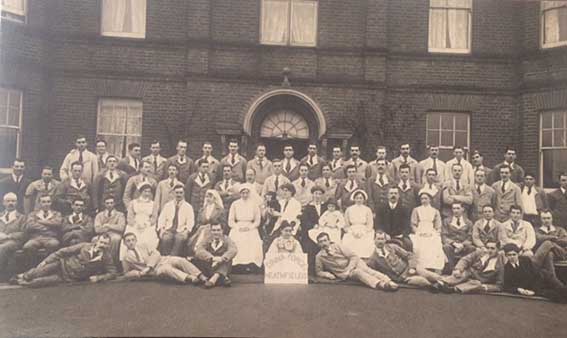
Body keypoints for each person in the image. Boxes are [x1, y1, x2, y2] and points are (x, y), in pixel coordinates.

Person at [13, 234, 116, 287]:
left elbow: (112, 273)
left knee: (38, 282)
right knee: (39, 271)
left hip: (68, 277)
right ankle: (21, 276)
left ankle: (21, 281)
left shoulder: (107, 257)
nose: (102, 245)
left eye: (105, 244)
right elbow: (63, 252)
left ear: (108, 245)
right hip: (61, 265)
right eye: (101, 242)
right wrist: (46, 261)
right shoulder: (85, 246)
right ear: (97, 241)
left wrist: (99, 277)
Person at [315, 232, 398, 291]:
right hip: (344, 273)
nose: (323, 243)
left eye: (325, 240)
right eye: (321, 241)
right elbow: (318, 271)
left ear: (329, 241)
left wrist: (348, 268)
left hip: (355, 263)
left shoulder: (338, 246)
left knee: (368, 270)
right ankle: (381, 284)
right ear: (318, 244)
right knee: (358, 273)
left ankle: (388, 281)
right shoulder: (319, 256)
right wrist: (327, 275)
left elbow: (353, 256)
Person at [121, 232, 205, 285]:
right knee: (167, 269)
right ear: (124, 243)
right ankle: (190, 278)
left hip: (163, 259)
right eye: (128, 241)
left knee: (180, 260)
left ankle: (200, 275)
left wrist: (149, 267)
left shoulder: (144, 245)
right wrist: (138, 273)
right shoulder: (126, 257)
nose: (131, 242)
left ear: (136, 240)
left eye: (132, 240)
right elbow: (126, 273)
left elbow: (156, 253)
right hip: (156, 269)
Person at [367, 232, 442, 288]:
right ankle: (437, 287)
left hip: (410, 268)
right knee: (422, 281)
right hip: (403, 278)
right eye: (378, 239)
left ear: (385, 240)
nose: (380, 241)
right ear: (374, 240)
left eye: (382, 239)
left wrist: (412, 267)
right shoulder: (373, 258)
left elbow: (410, 255)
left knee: (432, 276)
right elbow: (373, 273)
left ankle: (445, 284)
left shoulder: (392, 247)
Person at [502, 243, 567, 303]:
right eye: (509, 255)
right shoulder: (506, 268)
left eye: (514, 254)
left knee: (556, 284)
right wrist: (519, 290)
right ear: (506, 256)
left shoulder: (525, 260)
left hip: (539, 280)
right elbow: (507, 286)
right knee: (555, 296)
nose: (512, 257)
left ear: (518, 254)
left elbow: (534, 274)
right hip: (531, 289)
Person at [440, 240, 504, 294]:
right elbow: (465, 260)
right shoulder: (480, 253)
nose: (489, 250)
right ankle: (441, 283)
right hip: (469, 273)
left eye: (492, 248)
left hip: (478, 281)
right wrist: (458, 269)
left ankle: (453, 289)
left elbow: (499, 285)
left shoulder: (500, 264)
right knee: (462, 273)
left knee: (477, 284)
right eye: (487, 248)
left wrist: (486, 287)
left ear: (498, 249)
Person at [120, 184, 159, 265]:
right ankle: (127, 261)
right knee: (130, 237)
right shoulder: (133, 202)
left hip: (147, 224)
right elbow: (130, 216)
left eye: (149, 191)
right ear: (141, 192)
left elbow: (154, 217)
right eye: (145, 191)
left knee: (148, 239)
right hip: (135, 223)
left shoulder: (153, 204)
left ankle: (145, 261)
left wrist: (147, 224)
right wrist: (135, 224)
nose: (147, 193)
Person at [228, 184, 263, 272]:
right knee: (236, 240)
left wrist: (250, 227)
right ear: (240, 194)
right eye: (243, 193)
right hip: (238, 227)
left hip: (250, 227)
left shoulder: (254, 204)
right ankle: (236, 265)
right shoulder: (235, 204)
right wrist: (237, 227)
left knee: (254, 241)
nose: (245, 195)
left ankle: (251, 264)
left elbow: (257, 220)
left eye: (246, 193)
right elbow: (231, 220)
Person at [410, 192, 446, 273]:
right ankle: (421, 267)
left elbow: (438, 226)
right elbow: (413, 224)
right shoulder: (416, 210)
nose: (424, 200)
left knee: (435, 243)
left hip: (431, 231)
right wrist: (418, 232)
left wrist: (436, 233)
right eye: (422, 199)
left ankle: (435, 267)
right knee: (419, 244)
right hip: (420, 231)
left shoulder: (435, 211)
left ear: (430, 200)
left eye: (426, 198)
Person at [194, 223, 238, 288]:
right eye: (214, 230)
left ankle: (213, 279)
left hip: (222, 265)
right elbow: (199, 250)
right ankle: (223, 278)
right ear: (211, 231)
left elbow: (233, 249)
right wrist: (212, 258)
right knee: (199, 258)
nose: (216, 232)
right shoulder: (207, 239)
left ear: (222, 231)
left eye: (218, 230)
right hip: (210, 265)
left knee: (227, 260)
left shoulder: (227, 239)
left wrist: (221, 258)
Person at [157, 184, 194, 256]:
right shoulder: (168, 205)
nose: (178, 195)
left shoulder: (188, 207)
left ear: (184, 193)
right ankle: (165, 258)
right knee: (166, 238)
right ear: (173, 193)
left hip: (181, 230)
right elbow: (162, 218)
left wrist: (186, 231)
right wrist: (161, 229)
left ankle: (172, 259)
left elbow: (190, 221)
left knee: (179, 239)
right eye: (177, 192)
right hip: (169, 229)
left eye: (181, 193)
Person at [187, 190, 226, 256]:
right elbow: (198, 223)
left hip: (215, 231)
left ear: (214, 198)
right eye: (207, 197)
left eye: (210, 197)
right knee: (193, 241)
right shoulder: (202, 209)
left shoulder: (220, 210)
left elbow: (223, 223)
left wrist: (212, 227)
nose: (208, 199)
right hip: (202, 230)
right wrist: (201, 227)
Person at [300, 186, 328, 272]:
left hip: (324, 229)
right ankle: (312, 269)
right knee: (310, 245)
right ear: (313, 195)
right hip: (312, 230)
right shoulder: (308, 207)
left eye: (320, 194)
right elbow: (304, 221)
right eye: (316, 193)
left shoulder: (325, 206)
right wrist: (313, 225)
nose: (318, 196)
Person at [375, 187, 412, 251]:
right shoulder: (381, 208)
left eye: (395, 193)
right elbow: (378, 223)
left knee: (409, 244)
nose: (393, 195)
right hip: (384, 235)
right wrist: (383, 234)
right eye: (391, 193)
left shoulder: (404, 208)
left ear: (398, 196)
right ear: (388, 195)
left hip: (400, 235)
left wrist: (402, 234)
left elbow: (407, 225)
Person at [442, 202, 475, 271]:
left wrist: (462, 245)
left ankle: (466, 270)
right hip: (452, 245)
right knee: (446, 247)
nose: (456, 210)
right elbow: (444, 235)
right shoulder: (446, 221)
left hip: (463, 245)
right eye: (454, 208)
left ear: (463, 209)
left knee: (471, 248)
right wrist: (454, 243)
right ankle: (452, 270)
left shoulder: (468, 222)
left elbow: (470, 237)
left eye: (458, 208)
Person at [93, 195, 126, 266]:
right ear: (104, 204)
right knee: (95, 239)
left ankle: (112, 263)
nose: (109, 205)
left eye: (111, 203)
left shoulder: (120, 215)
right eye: (107, 203)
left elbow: (121, 228)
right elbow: (97, 229)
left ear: (114, 203)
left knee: (115, 239)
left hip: (115, 234)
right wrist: (113, 227)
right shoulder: (99, 215)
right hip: (102, 235)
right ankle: (97, 263)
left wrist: (108, 226)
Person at [342, 190, 375, 259]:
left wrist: (363, 232)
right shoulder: (349, 209)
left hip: (365, 230)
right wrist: (351, 232)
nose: (359, 200)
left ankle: (364, 259)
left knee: (366, 241)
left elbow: (370, 224)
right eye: (357, 198)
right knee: (349, 241)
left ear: (364, 199)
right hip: (352, 230)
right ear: (354, 199)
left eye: (361, 198)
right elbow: (346, 225)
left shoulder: (367, 209)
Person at [0, 193, 26, 272]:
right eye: (8, 201)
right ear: (3, 203)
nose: (10, 203)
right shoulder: (0, 216)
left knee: (2, 248)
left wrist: (8, 236)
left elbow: (24, 233)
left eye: (13, 201)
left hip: (14, 242)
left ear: (17, 203)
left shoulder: (22, 217)